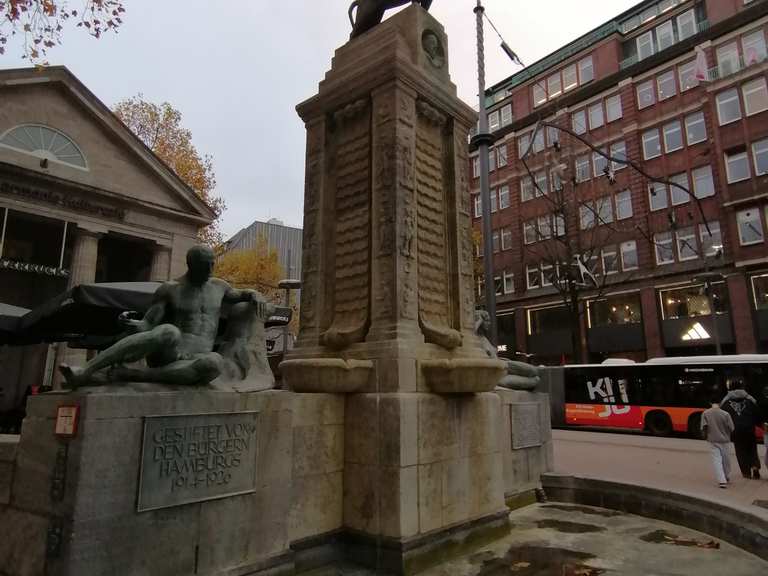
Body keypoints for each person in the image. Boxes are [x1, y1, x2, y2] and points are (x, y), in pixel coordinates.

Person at [59, 245, 268, 388]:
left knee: (214, 363)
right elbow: (149, 324)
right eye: (205, 265)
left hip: (195, 359)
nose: (210, 269)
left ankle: (135, 375)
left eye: (212, 264)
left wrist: (255, 293)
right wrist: (133, 324)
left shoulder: (219, 286)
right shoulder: (171, 289)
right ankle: (85, 370)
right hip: (169, 353)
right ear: (191, 265)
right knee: (169, 331)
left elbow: (240, 294)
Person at [721, 381, 761, 480]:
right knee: (752, 449)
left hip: (735, 431)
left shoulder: (726, 402)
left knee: (740, 450)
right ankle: (755, 466)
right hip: (749, 429)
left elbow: (723, 417)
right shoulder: (750, 400)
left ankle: (746, 473)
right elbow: (757, 414)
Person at [701, 396, 734, 488]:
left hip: (712, 440)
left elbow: (704, 426)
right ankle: (726, 476)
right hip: (725, 440)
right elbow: (731, 428)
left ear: (710, 403)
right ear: (720, 403)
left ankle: (721, 481)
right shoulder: (726, 414)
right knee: (726, 460)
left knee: (716, 460)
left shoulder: (705, 413)